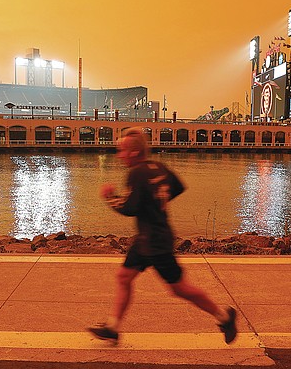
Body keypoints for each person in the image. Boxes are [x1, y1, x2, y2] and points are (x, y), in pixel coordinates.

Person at [88, 128, 238, 345]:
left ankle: (224, 317)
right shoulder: (158, 166)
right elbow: (177, 187)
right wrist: (159, 202)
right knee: (123, 277)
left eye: (122, 151)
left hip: (155, 242)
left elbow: (130, 208)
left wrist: (110, 197)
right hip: (147, 239)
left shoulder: (137, 172)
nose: (119, 155)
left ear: (133, 153)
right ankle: (112, 327)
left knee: (180, 289)